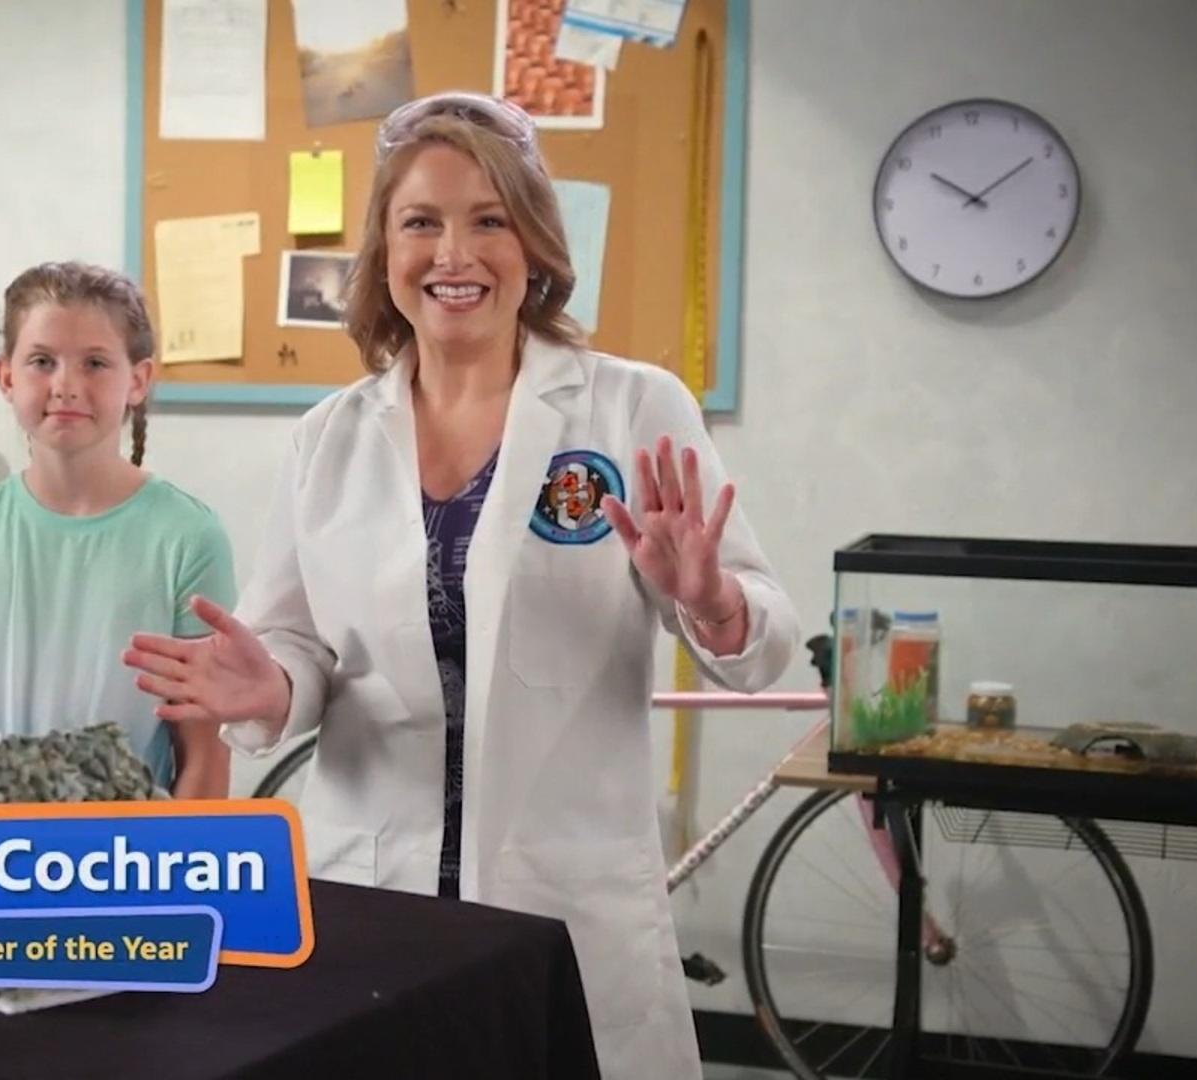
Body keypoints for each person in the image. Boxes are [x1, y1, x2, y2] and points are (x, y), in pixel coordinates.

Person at [122, 93, 798, 1078]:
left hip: (564, 898)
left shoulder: (631, 408)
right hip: (377, 901)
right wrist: (270, 688)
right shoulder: (328, 440)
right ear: (383, 250)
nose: (454, 254)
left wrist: (710, 600)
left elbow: (761, 643)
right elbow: (297, 647)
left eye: (489, 220)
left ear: (535, 245)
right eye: (421, 223)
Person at [0, 261, 234, 799]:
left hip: (130, 845)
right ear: (5, 377)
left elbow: (204, 757)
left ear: (138, 380)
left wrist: (176, 853)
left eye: (95, 363)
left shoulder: (188, 538)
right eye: (42, 361)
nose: (66, 385)